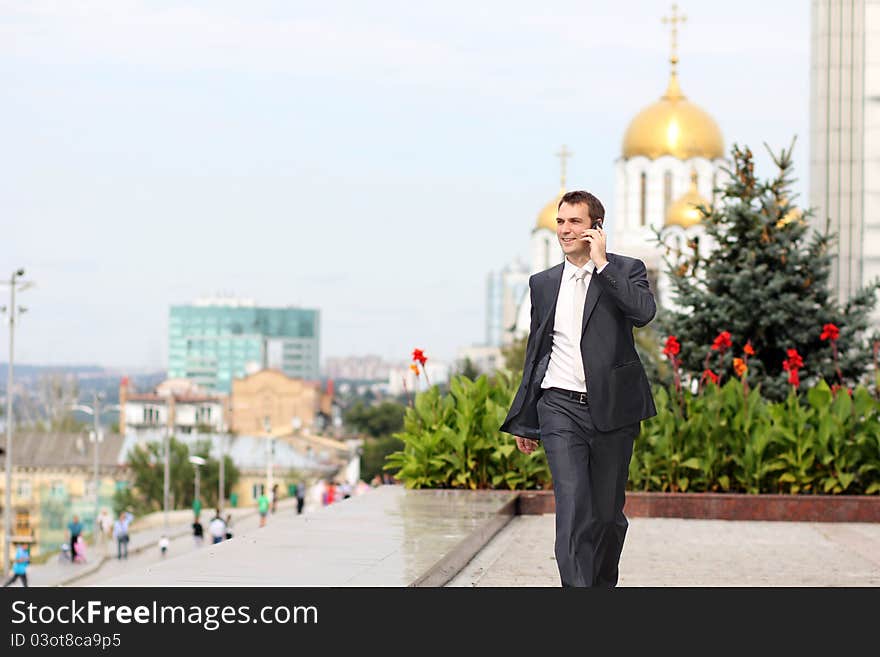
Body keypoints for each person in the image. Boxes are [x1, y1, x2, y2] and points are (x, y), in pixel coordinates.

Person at [500, 190, 657, 588]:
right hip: (559, 408)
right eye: (560, 221)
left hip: (613, 411)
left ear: (595, 228)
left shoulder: (627, 270)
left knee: (606, 515)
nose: (565, 230)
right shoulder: (543, 283)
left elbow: (643, 313)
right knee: (572, 509)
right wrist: (527, 416)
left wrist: (603, 266)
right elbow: (537, 351)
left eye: (575, 221)